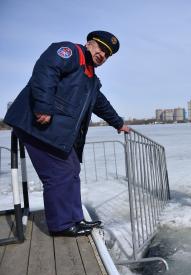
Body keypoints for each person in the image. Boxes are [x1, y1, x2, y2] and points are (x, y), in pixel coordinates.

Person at [4, 31, 130, 236]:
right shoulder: (70, 52)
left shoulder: (90, 79)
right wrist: (43, 106)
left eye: (107, 54)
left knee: (71, 169)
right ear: (89, 43)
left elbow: (101, 104)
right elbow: (46, 70)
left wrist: (119, 123)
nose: (103, 55)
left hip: (54, 131)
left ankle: (74, 218)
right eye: (101, 48)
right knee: (59, 173)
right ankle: (61, 224)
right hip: (36, 124)